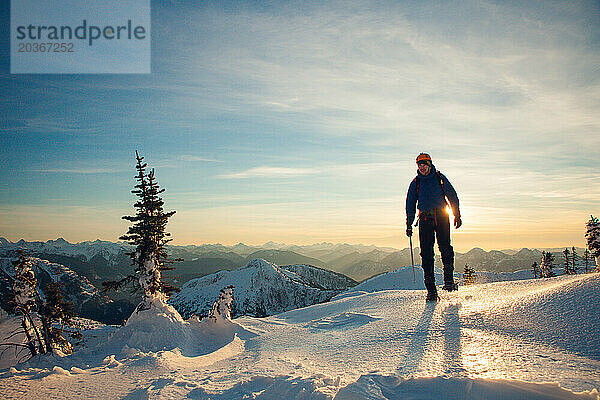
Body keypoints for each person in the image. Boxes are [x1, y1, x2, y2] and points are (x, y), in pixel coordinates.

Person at [405, 153, 461, 302]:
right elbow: (410, 204)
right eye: (419, 165)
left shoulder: (440, 178)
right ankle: (431, 290)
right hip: (424, 219)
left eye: (424, 164)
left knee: (445, 248)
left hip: (442, 217)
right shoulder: (416, 183)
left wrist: (457, 214)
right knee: (426, 254)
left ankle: (449, 282)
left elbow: (452, 196)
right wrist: (409, 223)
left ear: (429, 164)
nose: (422, 168)